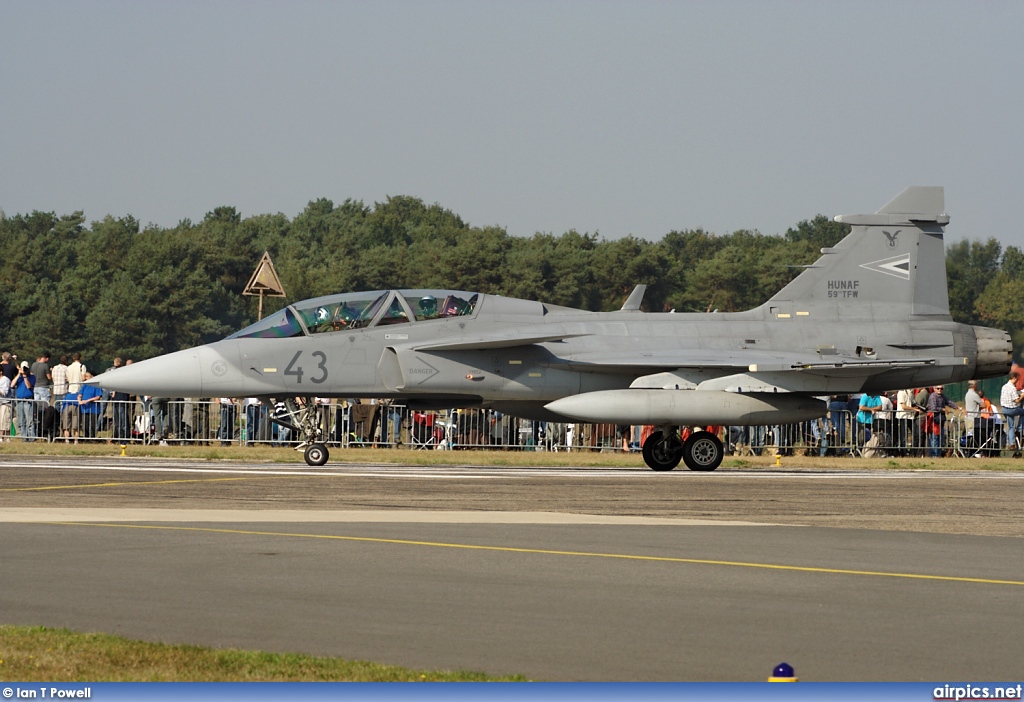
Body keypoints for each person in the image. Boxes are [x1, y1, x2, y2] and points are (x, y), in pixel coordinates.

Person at [926, 385, 959, 457]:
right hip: (934, 421)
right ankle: (934, 456)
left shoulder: (942, 396)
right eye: (938, 388)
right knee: (934, 439)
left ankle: (938, 454)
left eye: (941, 388)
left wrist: (957, 407)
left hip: (941, 421)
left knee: (940, 439)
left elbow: (949, 402)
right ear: (934, 389)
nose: (939, 390)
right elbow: (933, 408)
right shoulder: (933, 396)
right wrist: (943, 409)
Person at [999, 372, 1024, 449]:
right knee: (1023, 412)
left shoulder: (1004, 386)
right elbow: (1017, 401)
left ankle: (1012, 444)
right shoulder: (1012, 388)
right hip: (1011, 409)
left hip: (1004, 409)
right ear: (1014, 378)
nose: (1017, 381)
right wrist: (1022, 396)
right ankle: (1019, 429)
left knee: (1011, 426)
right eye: (1017, 379)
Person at [12, 361, 36, 441]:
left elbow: (29, 386)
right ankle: (24, 437)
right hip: (19, 401)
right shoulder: (19, 378)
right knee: (21, 421)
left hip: (28, 400)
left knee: (29, 420)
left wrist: (25, 376)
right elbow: (12, 385)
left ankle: (31, 438)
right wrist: (19, 374)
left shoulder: (32, 377)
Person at [77, 372, 104, 439]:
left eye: (87, 376)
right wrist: (80, 401)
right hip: (85, 408)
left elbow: (98, 397)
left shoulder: (96, 386)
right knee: (85, 424)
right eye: (85, 377)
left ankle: (92, 437)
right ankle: (86, 437)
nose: (86, 378)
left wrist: (87, 400)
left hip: (94, 408)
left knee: (93, 424)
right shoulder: (84, 385)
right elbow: (80, 395)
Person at [0, 371, 12, 442]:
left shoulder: (5, 380)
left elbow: (5, 392)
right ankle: (6, 438)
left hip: (6, 403)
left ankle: (3, 438)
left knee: (4, 421)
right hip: (1, 403)